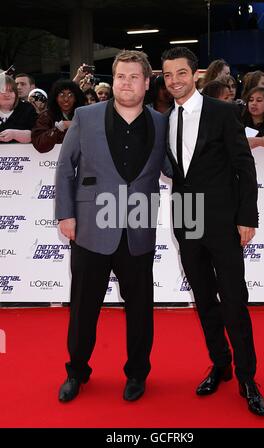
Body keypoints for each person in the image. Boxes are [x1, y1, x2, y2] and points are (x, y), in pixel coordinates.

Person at [55, 50, 168, 403]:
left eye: (135, 77)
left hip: (138, 227)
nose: (127, 83)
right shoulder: (85, 117)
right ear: (113, 80)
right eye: (121, 76)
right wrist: (66, 214)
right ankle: (77, 370)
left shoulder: (163, 122)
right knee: (84, 305)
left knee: (140, 308)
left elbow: (175, 168)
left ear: (147, 83)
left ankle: (137, 373)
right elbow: (65, 168)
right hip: (90, 226)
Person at [161, 46, 264, 416]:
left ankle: (247, 378)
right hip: (186, 217)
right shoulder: (164, 118)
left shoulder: (223, 112)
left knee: (233, 301)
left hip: (223, 220)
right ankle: (220, 364)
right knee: (204, 299)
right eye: (168, 75)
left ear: (195, 75)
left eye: (181, 73)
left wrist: (247, 217)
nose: (174, 80)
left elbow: (244, 167)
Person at [31, 79, 85, 153]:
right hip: (51, 161)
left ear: (75, 98)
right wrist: (59, 128)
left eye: (70, 95)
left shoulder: (83, 115)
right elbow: (39, 144)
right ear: (55, 98)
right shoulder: (46, 116)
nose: (66, 99)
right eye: (62, 95)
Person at [0, 74, 37, 143]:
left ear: (15, 93)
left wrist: (15, 134)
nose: (7, 94)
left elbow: (36, 135)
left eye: (11, 91)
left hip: (23, 153)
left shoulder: (28, 109)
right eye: (3, 91)